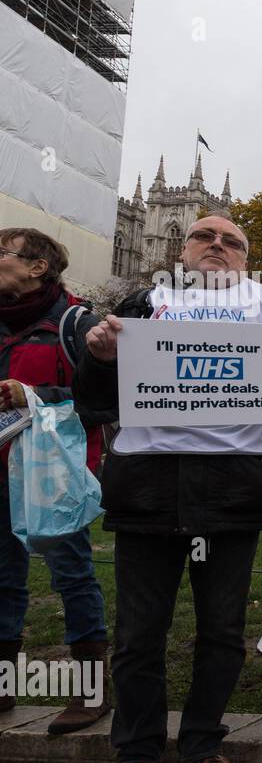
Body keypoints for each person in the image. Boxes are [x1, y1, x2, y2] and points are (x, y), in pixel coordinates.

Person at [74, 215, 262, 763]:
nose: (218, 246)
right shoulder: (141, 301)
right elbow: (96, 402)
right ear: (181, 251)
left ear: (245, 259)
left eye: (232, 241)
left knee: (222, 632)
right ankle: (136, 758)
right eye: (205, 237)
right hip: (149, 489)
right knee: (137, 635)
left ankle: (204, 748)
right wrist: (101, 358)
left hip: (231, 492)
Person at [0, 227, 110, 731]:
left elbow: (103, 401)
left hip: (52, 473)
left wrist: (35, 395)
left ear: (37, 266)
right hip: (2, 470)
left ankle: (91, 690)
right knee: (4, 578)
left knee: (70, 574)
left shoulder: (76, 323)